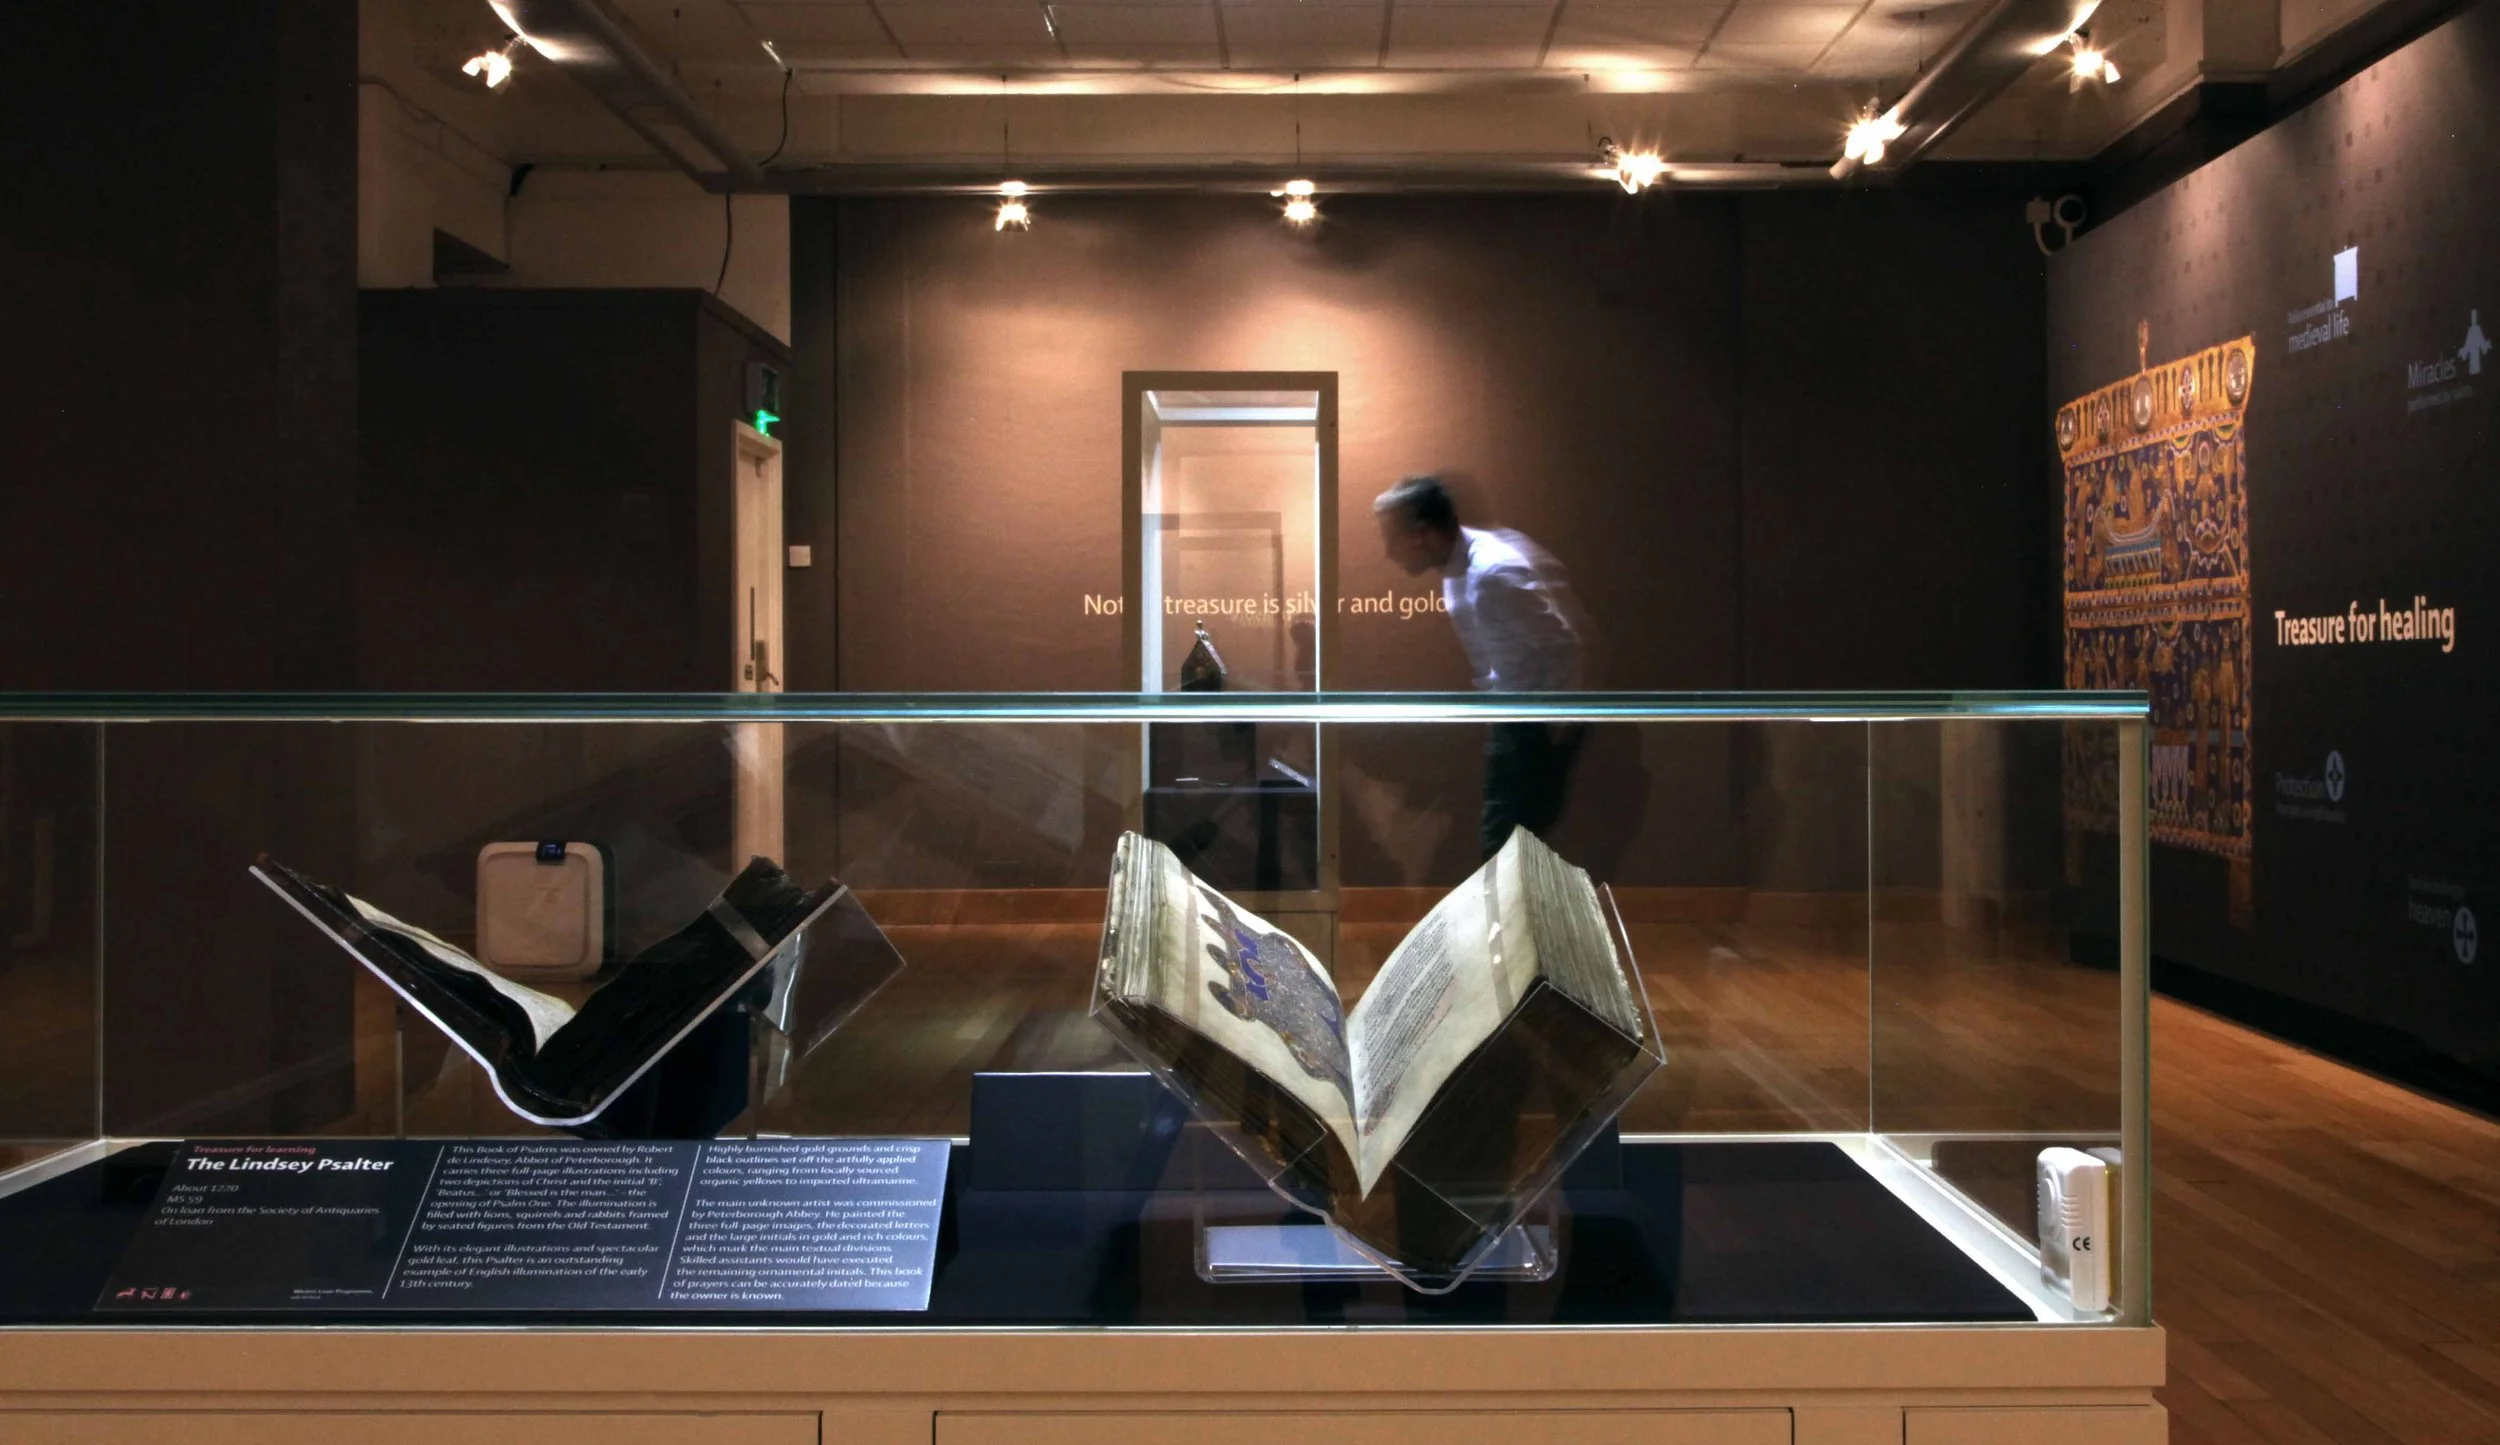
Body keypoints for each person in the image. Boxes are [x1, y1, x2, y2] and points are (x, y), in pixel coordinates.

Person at [1374, 475, 1587, 860]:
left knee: (1507, 852)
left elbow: (1563, 648)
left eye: (1392, 539)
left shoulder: (1492, 573)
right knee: (1509, 852)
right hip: (1515, 722)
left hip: (1531, 726)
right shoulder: (1461, 568)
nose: (1388, 552)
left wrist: (1553, 733)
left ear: (1421, 535)